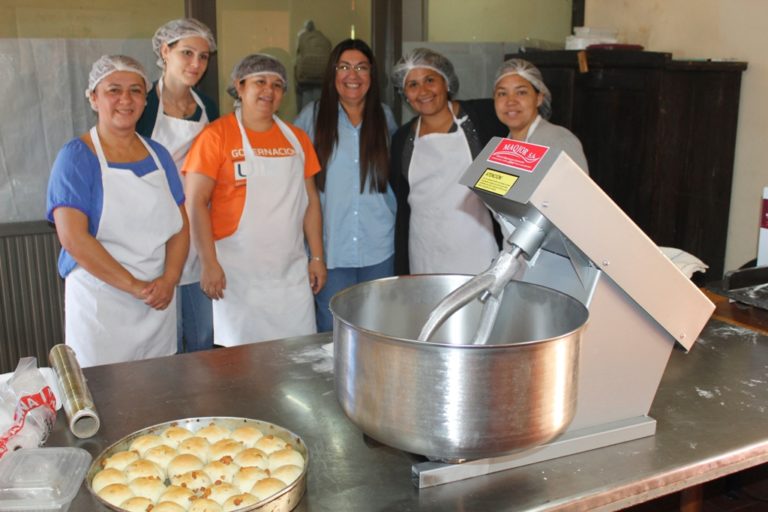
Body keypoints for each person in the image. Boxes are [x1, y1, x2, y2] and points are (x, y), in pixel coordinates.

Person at [46, 55, 189, 367]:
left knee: (158, 389)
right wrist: (134, 286)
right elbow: (73, 238)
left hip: (157, 301)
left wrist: (170, 278)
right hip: (102, 302)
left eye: (136, 90)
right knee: (106, 398)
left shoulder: (159, 155)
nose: (126, 99)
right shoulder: (76, 158)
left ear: (145, 99)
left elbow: (180, 226)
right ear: (94, 98)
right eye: (114, 90)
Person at [183, 54, 326, 346]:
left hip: (290, 274)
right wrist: (208, 263)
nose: (268, 91)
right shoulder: (216, 137)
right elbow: (195, 203)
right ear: (240, 85)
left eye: (277, 85)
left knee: (295, 358)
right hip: (237, 275)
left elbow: (310, 201)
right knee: (241, 364)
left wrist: (317, 257)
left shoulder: (297, 139)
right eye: (260, 82)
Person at [295, 39, 398, 333]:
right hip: (330, 250)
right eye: (344, 67)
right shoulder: (312, 118)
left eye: (361, 68)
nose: (352, 75)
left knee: (377, 330)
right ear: (333, 74)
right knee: (332, 332)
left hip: (379, 246)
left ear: (371, 76)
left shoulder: (385, 117)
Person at [136, 18, 218, 354]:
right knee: (160, 339)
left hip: (198, 227)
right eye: (187, 53)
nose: (196, 64)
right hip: (152, 230)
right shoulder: (142, 105)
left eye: (203, 56)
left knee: (200, 337)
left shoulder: (207, 108)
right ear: (165, 51)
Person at [390, 48, 507, 276]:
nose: (423, 91)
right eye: (412, 85)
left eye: (430, 80)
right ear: (404, 94)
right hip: (424, 252)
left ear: (446, 82)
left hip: (477, 250)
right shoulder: (402, 139)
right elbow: (403, 208)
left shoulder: (483, 118)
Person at [493, 58, 588, 172]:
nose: (511, 101)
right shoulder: (501, 149)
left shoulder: (559, 140)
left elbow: (578, 189)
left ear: (539, 98)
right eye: (502, 93)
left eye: (521, 92)